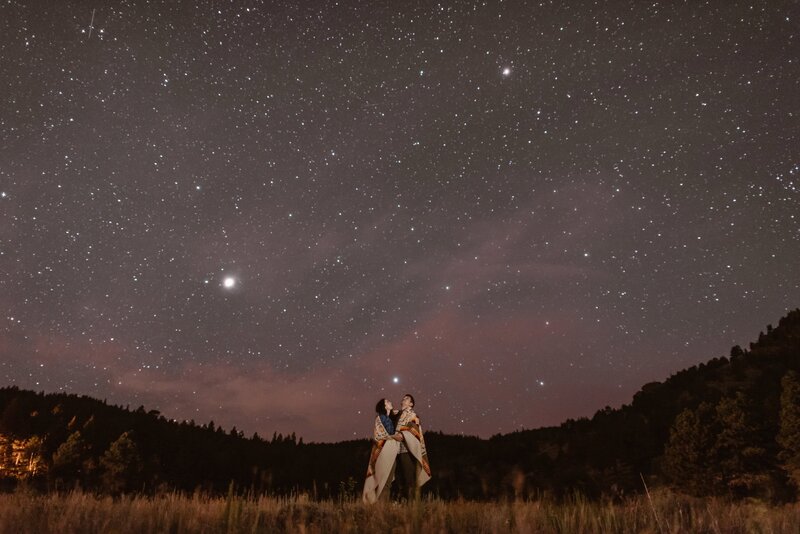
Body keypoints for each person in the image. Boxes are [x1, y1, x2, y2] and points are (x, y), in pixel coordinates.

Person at [362, 398, 403, 503]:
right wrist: (395, 437)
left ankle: (382, 505)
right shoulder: (381, 418)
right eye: (388, 402)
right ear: (384, 406)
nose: (391, 402)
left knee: (387, 480)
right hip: (384, 452)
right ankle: (381, 506)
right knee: (385, 480)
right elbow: (381, 435)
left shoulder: (388, 418)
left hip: (389, 451)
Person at [395, 393, 431, 499]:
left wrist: (401, 433)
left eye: (406, 399)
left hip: (408, 450)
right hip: (396, 450)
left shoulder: (413, 416)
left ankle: (411, 504)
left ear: (411, 404)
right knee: (399, 478)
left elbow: (414, 430)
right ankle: (402, 501)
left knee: (408, 477)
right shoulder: (399, 415)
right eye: (403, 398)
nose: (403, 400)